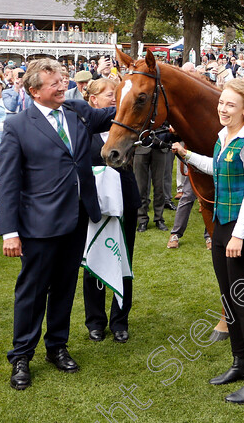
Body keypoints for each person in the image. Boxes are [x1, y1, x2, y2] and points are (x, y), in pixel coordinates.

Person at [0, 59, 115, 391]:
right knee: (33, 292)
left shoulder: (77, 110)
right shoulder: (18, 125)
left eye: (63, 80)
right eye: (54, 84)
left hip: (77, 219)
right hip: (38, 224)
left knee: (64, 287)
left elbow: (113, 114)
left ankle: (56, 347)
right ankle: (21, 356)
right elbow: (7, 183)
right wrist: (10, 231)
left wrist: (140, 88)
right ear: (34, 90)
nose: (63, 86)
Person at [172, 79, 244, 404]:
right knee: (229, 301)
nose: (222, 108)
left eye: (230, 105)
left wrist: (239, 235)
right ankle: (241, 363)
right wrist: (187, 155)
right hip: (222, 229)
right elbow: (217, 169)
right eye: (221, 103)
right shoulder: (222, 137)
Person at [81, 78, 142, 344]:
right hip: (95, 205)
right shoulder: (83, 129)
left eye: (115, 94)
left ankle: (120, 319)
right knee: (94, 258)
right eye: (109, 95)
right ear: (93, 100)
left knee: (123, 259)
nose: (114, 99)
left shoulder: (126, 126)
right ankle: (95, 320)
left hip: (125, 201)